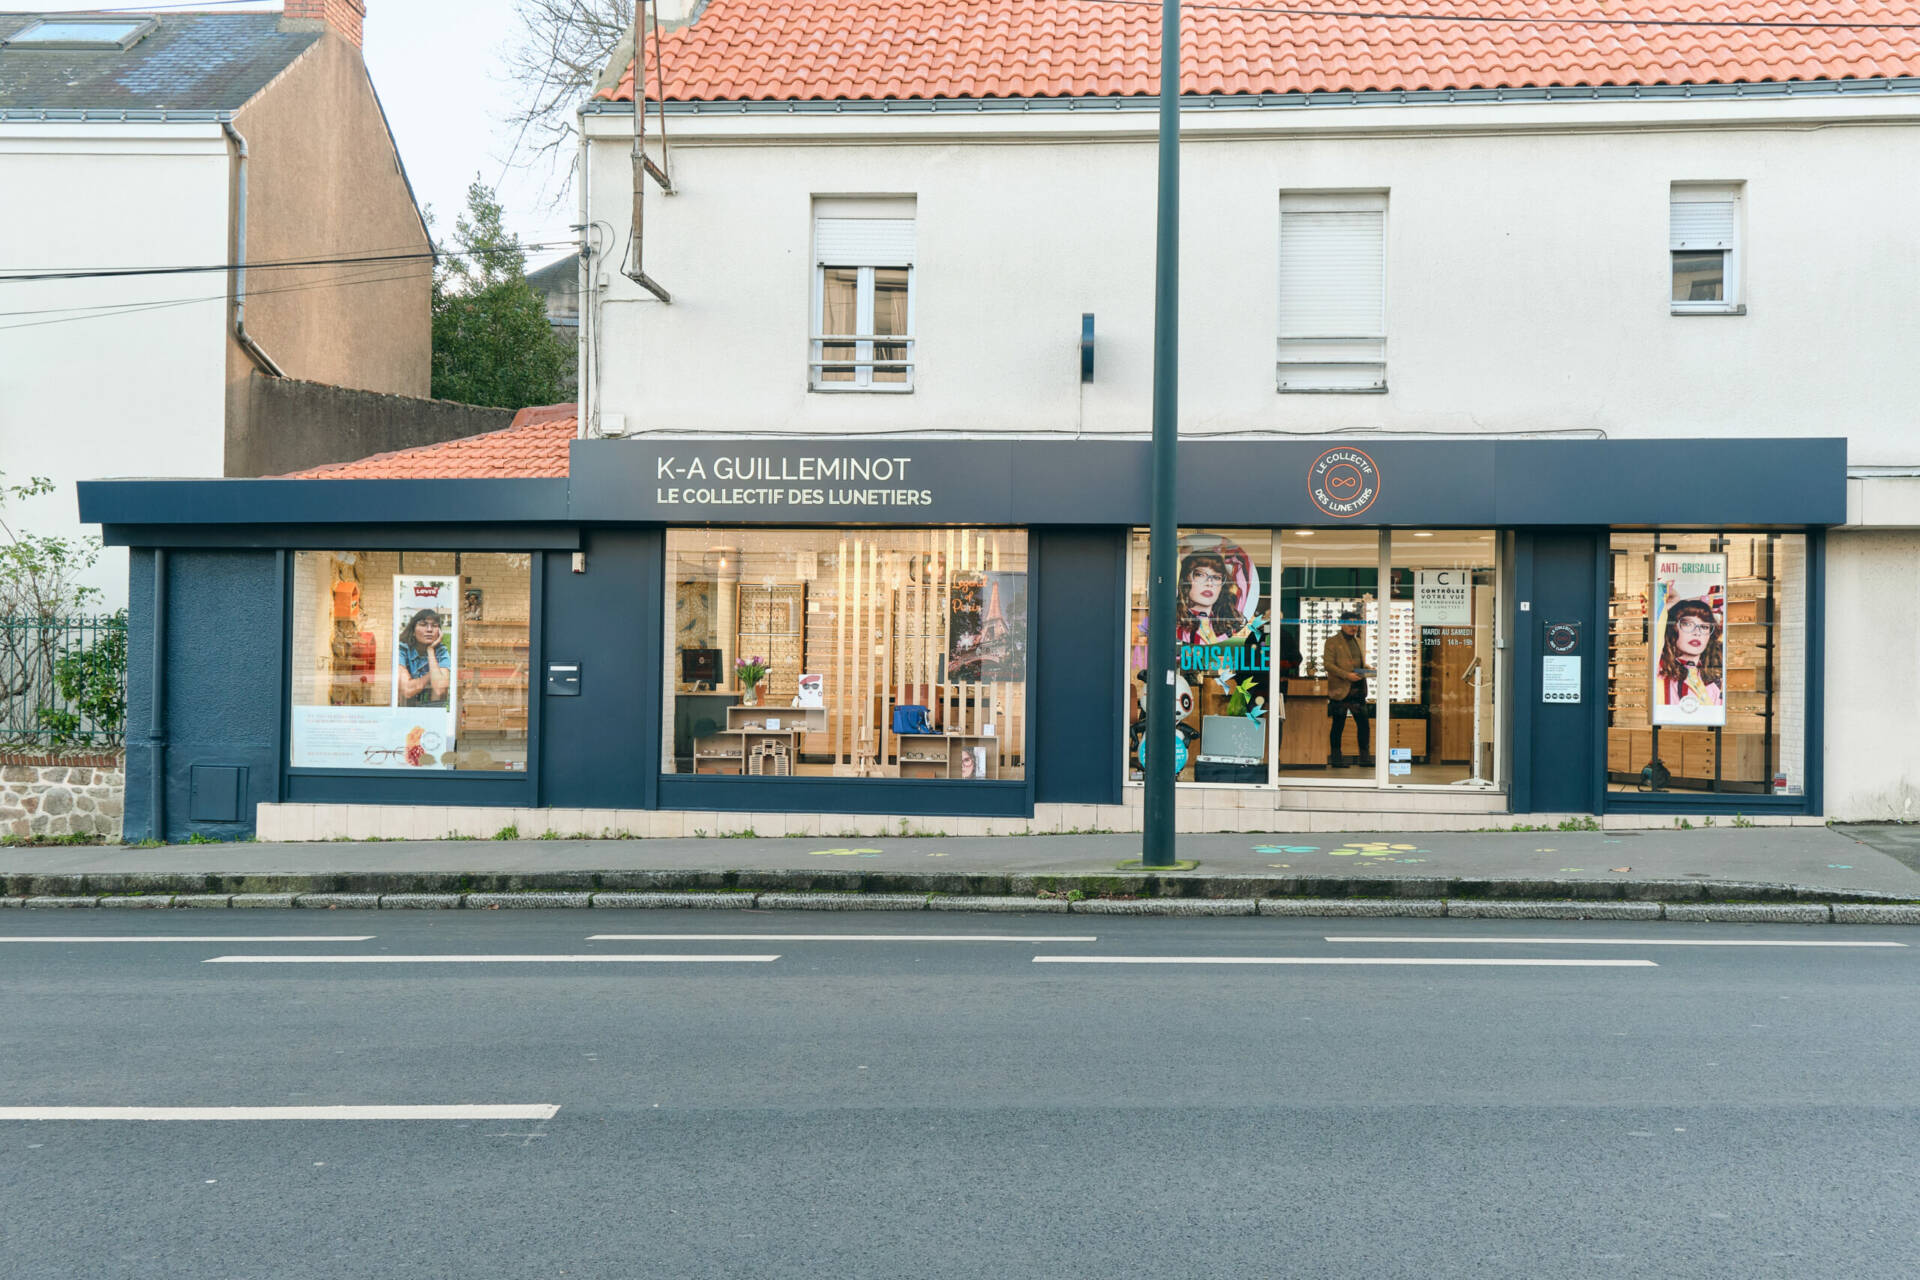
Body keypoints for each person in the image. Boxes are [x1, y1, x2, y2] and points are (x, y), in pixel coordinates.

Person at [1322, 609, 1374, 770]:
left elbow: (1358, 663)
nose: (1354, 628)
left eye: (1357, 625)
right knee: (1338, 725)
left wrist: (1366, 669)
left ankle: (1364, 758)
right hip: (1341, 689)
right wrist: (1346, 675)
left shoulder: (1358, 641)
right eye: (1351, 624)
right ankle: (1337, 759)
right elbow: (1328, 665)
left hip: (1358, 688)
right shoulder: (1332, 641)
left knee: (1364, 725)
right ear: (1342, 624)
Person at [1657, 597, 1724, 713]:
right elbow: (1656, 621)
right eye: (1687, 624)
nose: (1697, 632)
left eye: (1704, 627)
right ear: (1672, 629)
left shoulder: (1713, 684)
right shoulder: (1659, 669)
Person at [1174, 549, 1248, 646]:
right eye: (1200, 575)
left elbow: (1243, 563)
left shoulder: (1228, 624)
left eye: (1216, 577)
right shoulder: (1176, 625)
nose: (1209, 583)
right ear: (1186, 580)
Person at [397, 608, 451, 708]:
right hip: (404, 712)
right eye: (423, 624)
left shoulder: (441, 651)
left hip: (432, 715)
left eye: (434, 626)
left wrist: (430, 651)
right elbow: (407, 691)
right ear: (413, 630)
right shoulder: (402, 649)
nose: (429, 629)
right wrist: (433, 674)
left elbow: (439, 690)